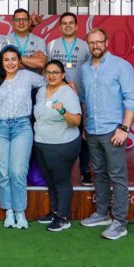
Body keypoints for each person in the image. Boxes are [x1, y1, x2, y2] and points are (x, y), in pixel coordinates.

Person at [79, 28, 134, 240]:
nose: (95, 45)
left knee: (117, 176)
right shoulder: (85, 69)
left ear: (106, 42)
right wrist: (85, 126)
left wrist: (124, 128)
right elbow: (84, 100)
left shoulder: (121, 66)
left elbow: (131, 100)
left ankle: (120, 222)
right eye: (91, 42)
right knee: (99, 173)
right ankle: (101, 214)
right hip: (92, 130)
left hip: (113, 131)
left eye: (99, 41)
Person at [0, 45, 45, 229]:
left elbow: (50, 81)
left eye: (14, 59)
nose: (10, 63)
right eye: (6, 60)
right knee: (3, 172)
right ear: (1, 62)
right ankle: (9, 211)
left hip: (22, 127)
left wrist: (68, 85)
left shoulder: (27, 76)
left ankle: (20, 212)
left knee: (18, 172)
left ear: (20, 61)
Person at [33, 60, 82, 232]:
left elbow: (76, 121)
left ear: (63, 75)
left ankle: (63, 217)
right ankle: (55, 212)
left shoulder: (68, 92)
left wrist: (62, 111)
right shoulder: (41, 91)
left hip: (62, 144)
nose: (51, 75)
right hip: (42, 142)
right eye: (48, 72)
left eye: (55, 72)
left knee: (61, 180)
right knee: (50, 179)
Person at [46, 12, 93, 186]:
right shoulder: (51, 45)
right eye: (64, 23)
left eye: (71, 23)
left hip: (80, 98)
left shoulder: (85, 46)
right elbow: (47, 71)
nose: (67, 26)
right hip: (57, 98)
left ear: (77, 26)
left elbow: (91, 71)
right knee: (56, 134)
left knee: (83, 136)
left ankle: (85, 170)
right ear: (59, 27)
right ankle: (57, 170)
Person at [0, 8, 46, 73]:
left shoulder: (39, 41)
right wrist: (31, 59)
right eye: (17, 20)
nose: (21, 22)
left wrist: (14, 59)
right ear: (13, 23)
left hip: (33, 79)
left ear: (29, 22)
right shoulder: (5, 40)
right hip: (11, 79)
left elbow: (41, 63)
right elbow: (4, 64)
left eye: (24, 19)